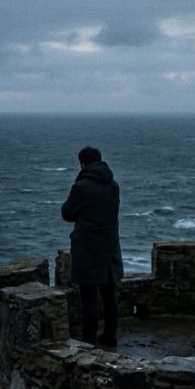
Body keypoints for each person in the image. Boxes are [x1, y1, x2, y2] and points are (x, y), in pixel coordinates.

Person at [60, 146, 124, 347]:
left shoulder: (81, 187)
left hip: (87, 248)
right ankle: (110, 335)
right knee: (108, 294)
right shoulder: (113, 185)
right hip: (109, 247)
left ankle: (89, 340)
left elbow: (67, 213)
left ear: (82, 164)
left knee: (88, 295)